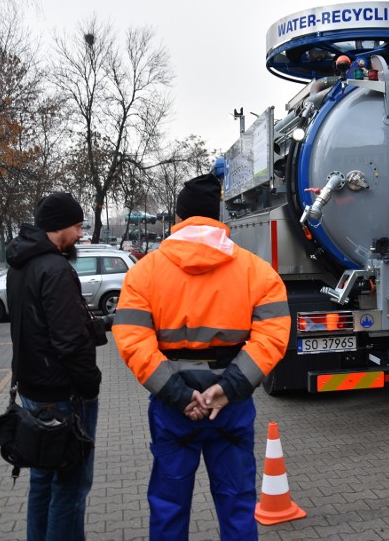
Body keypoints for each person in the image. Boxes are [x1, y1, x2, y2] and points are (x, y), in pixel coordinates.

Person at [112, 174, 290, 540]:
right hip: (231, 406)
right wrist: (228, 389)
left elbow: (132, 340)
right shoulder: (258, 272)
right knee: (237, 501)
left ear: (178, 216)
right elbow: (272, 337)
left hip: (173, 407)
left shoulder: (143, 273)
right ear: (217, 215)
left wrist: (178, 395)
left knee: (168, 504)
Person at [6, 192, 103, 541]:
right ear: (61, 226)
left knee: (42, 481)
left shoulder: (21, 265)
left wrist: (97, 325)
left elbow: (40, 325)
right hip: (64, 396)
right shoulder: (55, 269)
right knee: (71, 486)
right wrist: (90, 385)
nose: (79, 234)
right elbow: (70, 342)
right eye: (77, 226)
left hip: (33, 390)